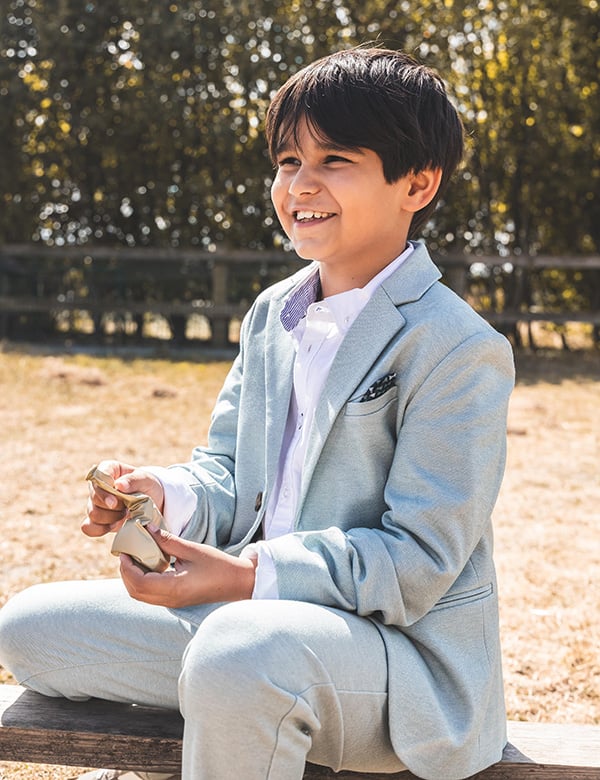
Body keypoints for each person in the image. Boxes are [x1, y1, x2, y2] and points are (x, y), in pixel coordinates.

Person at [0, 47, 515, 780]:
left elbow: (417, 562)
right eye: (287, 161)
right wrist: (163, 494)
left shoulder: (459, 346)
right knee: (30, 628)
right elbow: (229, 474)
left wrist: (245, 576)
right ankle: (241, 710)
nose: (300, 184)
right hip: (254, 627)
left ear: (417, 183)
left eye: (335, 160)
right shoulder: (273, 313)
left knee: (239, 655)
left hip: (395, 664)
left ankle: (237, 704)